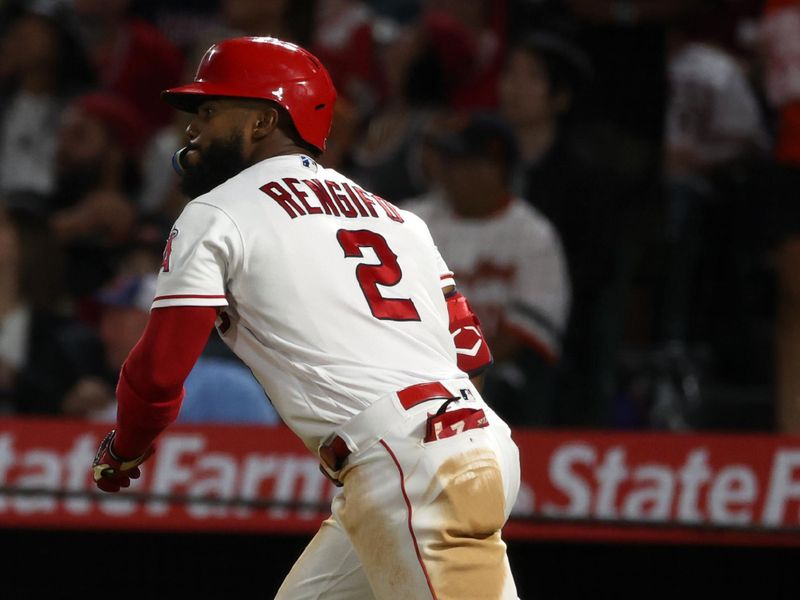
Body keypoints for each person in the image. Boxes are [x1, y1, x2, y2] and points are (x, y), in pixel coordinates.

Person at [89, 37, 521, 599]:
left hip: (408, 467)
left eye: (212, 110)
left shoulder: (218, 211)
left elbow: (158, 373)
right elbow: (471, 358)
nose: (193, 128)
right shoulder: (401, 220)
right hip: (444, 450)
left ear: (264, 120)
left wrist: (125, 447)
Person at [405, 112, 571, 426]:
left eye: (460, 161)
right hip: (415, 368)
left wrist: (454, 374)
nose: (447, 170)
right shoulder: (412, 219)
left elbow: (525, 336)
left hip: (490, 381)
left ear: (494, 171)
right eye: (448, 159)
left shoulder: (532, 235)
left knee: (506, 381)